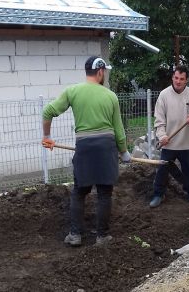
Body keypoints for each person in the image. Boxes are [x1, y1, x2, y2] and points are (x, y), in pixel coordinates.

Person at [41, 56, 131, 246]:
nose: (104, 74)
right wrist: (124, 152)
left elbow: (48, 112)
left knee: (79, 192)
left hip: (84, 147)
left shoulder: (72, 91)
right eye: (104, 71)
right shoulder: (110, 96)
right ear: (100, 72)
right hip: (106, 148)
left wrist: (47, 136)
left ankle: (75, 235)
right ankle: (102, 236)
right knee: (105, 193)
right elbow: (118, 130)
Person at [150, 65, 189, 208]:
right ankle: (158, 194)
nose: (178, 81)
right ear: (173, 77)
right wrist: (162, 136)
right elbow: (159, 121)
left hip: (188, 142)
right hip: (169, 142)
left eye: (182, 79)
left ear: (186, 80)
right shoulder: (164, 95)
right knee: (163, 169)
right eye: (176, 78)